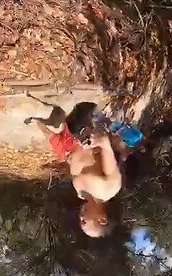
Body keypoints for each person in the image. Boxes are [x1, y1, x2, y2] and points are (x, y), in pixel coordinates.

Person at [25, 101, 122, 237]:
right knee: (73, 120)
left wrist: (68, 161)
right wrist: (95, 141)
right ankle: (64, 112)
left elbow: (77, 169)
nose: (80, 217)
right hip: (81, 140)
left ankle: (36, 115)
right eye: (84, 222)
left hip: (67, 151)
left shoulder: (81, 194)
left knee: (46, 130)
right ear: (102, 219)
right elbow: (105, 144)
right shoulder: (110, 188)